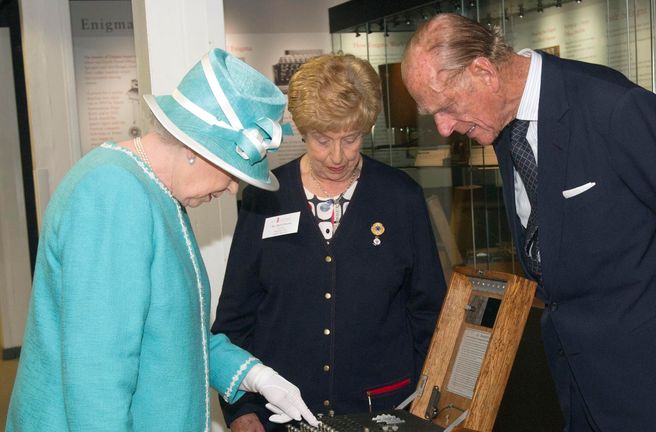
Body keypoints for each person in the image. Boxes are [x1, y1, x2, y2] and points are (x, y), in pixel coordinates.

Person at [400, 13, 656, 432]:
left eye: (446, 107)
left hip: (654, 383)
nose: (444, 127)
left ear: (483, 71)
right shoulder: (505, 125)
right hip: (578, 382)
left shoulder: (613, 107)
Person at [6, 48, 318, 431]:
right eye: (231, 172)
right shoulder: (113, 193)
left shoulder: (158, 194)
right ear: (193, 150)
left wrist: (254, 375)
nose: (232, 186)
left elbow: (176, 333)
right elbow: (97, 375)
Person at [212, 53, 446, 432]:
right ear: (302, 131)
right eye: (322, 139)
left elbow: (429, 314)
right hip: (280, 415)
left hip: (383, 411)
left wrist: (426, 400)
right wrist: (241, 409)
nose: (337, 156)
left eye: (350, 139)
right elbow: (237, 316)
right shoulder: (265, 196)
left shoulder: (401, 198)